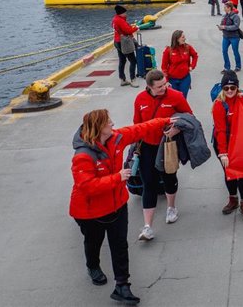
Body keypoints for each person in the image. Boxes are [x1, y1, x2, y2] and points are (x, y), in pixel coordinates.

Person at [70, 109, 178, 304]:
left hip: (117, 205)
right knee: (93, 242)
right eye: (107, 122)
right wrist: (117, 178)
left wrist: (166, 120)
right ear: (98, 128)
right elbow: (86, 187)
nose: (112, 123)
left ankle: (122, 285)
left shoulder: (117, 138)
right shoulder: (83, 156)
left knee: (120, 244)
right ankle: (93, 266)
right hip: (89, 212)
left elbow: (141, 128)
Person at [133, 70, 193, 241]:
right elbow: (136, 123)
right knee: (149, 184)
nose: (164, 88)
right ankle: (147, 227)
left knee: (168, 177)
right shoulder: (140, 99)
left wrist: (178, 128)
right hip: (147, 147)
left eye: (165, 84)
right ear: (149, 87)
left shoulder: (176, 96)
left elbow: (189, 116)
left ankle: (171, 207)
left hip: (167, 145)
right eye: (159, 87)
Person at [212, 71, 243, 220]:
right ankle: (233, 199)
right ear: (222, 89)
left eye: (233, 87)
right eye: (226, 88)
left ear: (237, 88)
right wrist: (223, 153)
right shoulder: (219, 105)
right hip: (226, 144)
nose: (229, 91)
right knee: (230, 174)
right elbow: (220, 130)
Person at [161, 30, 198, 99]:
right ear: (177, 39)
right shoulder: (168, 50)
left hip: (185, 78)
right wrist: (166, 81)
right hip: (172, 79)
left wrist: (192, 66)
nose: (185, 39)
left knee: (183, 98)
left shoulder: (188, 47)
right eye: (183, 37)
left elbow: (195, 56)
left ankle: (183, 110)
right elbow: (164, 67)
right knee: (174, 99)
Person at [112, 5, 139, 87]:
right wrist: (136, 28)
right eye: (125, 12)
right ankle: (133, 79)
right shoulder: (120, 20)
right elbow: (128, 30)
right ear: (121, 13)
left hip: (117, 41)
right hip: (124, 42)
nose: (126, 14)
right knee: (133, 61)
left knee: (122, 60)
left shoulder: (114, 19)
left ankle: (122, 79)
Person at [218, 2, 242, 72]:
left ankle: (238, 66)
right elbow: (222, 24)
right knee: (224, 51)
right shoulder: (224, 16)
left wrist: (225, 27)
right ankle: (227, 67)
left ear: (229, 8)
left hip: (234, 37)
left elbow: (236, 26)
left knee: (235, 52)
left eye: (225, 7)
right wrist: (220, 27)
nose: (224, 9)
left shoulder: (235, 16)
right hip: (226, 37)